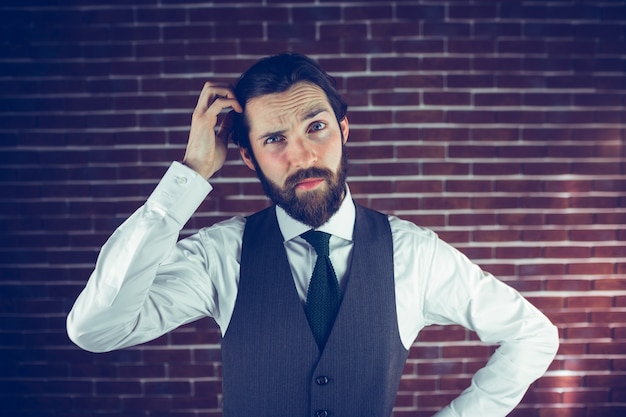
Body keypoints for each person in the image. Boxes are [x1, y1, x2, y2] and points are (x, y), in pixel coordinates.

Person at [67, 53, 559, 417]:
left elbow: (533, 335)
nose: (301, 156)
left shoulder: (413, 254)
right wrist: (190, 176)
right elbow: (96, 329)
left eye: (316, 127)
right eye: (274, 139)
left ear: (345, 130)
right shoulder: (223, 254)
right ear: (247, 156)